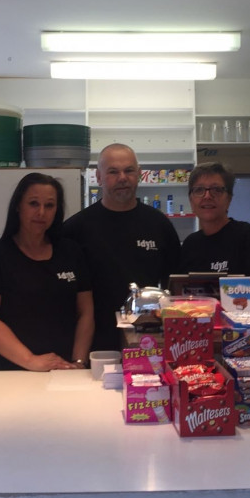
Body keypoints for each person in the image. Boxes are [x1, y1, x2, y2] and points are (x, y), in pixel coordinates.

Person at [0, 172, 94, 371]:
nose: (41, 213)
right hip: (11, 372)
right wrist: (31, 361)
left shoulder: (71, 252)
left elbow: (85, 313)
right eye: (33, 203)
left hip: (65, 370)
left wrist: (78, 362)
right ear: (18, 206)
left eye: (49, 205)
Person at [63, 143, 180, 351]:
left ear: (140, 174)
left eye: (129, 170)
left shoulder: (159, 224)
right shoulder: (75, 228)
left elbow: (175, 287)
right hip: (91, 343)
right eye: (113, 172)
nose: (122, 178)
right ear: (98, 177)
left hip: (147, 340)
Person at [178, 162, 250, 309]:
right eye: (199, 190)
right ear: (191, 200)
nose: (207, 196)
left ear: (229, 198)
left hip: (243, 329)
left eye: (216, 190)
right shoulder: (190, 245)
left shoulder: (249, 237)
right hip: (198, 326)